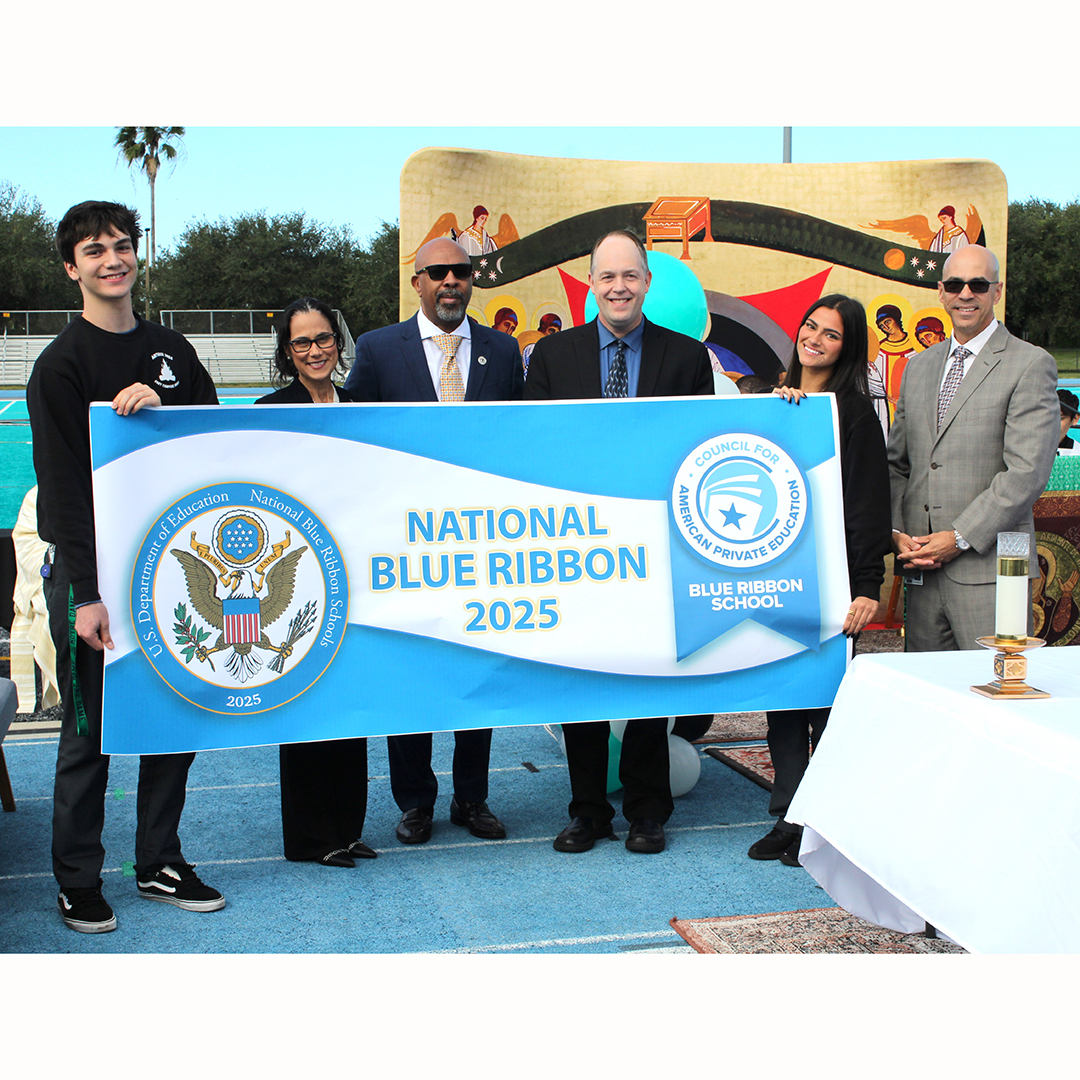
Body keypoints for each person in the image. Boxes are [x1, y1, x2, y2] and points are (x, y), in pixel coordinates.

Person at [26, 200, 224, 933]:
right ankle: (77, 879)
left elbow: (219, 439)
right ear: (70, 268)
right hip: (93, 581)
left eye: (121, 245)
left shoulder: (173, 350)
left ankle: (158, 861)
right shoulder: (59, 366)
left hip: (169, 570)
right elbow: (63, 492)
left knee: (172, 718)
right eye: (94, 250)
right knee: (90, 734)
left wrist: (164, 405)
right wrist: (85, 593)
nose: (112, 260)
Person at [525, 229, 713, 855]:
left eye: (630, 275)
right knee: (582, 680)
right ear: (591, 284)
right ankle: (587, 811)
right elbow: (534, 451)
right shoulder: (552, 358)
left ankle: (647, 811)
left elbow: (700, 450)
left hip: (656, 547)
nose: (619, 287)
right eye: (607, 276)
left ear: (647, 282)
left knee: (650, 681)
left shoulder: (687, 359)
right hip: (575, 545)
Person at [344, 236, 523, 844]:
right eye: (438, 272)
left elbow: (522, 437)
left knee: (477, 672)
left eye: (461, 271)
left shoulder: (503, 350)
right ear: (417, 281)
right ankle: (415, 801)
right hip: (403, 543)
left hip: (483, 543)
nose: (451, 281)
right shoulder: (377, 349)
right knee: (410, 672)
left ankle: (472, 798)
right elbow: (351, 436)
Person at [747, 295, 892, 866]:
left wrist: (867, 585)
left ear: (847, 347)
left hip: (834, 585)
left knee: (827, 707)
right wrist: (782, 411)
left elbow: (868, 504)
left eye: (831, 334)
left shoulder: (854, 413)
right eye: (811, 326)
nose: (816, 338)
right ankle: (789, 814)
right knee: (784, 700)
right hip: (779, 579)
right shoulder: (776, 401)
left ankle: (825, 821)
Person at [888, 245, 1059, 651]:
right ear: (941, 292)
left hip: (991, 571)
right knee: (928, 686)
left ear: (996, 291)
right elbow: (898, 463)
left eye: (978, 284)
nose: (966, 294)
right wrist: (897, 532)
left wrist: (959, 537)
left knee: (996, 682)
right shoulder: (918, 366)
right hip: (922, 568)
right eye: (955, 284)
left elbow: (1026, 473)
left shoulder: (1030, 363)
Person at [254, 298, 374, 867]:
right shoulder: (269, 410)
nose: (315, 350)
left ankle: (347, 828)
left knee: (350, 704)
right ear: (287, 351)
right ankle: (310, 837)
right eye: (301, 342)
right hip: (301, 575)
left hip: (358, 576)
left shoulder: (361, 407)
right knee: (306, 705)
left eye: (323, 338)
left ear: (337, 341)